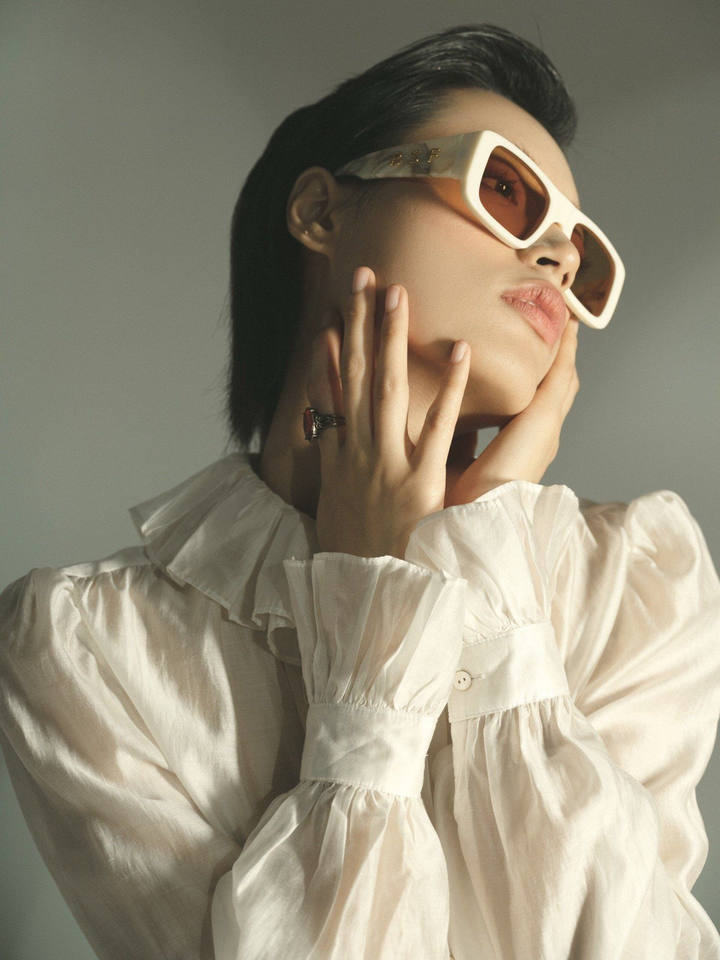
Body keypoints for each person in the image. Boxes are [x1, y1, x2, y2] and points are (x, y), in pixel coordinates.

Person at [1, 21, 719, 960]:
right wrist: (373, 597)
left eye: (581, 253)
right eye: (507, 190)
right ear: (321, 212)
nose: (556, 257)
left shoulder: (636, 585)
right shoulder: (86, 649)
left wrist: (482, 570)